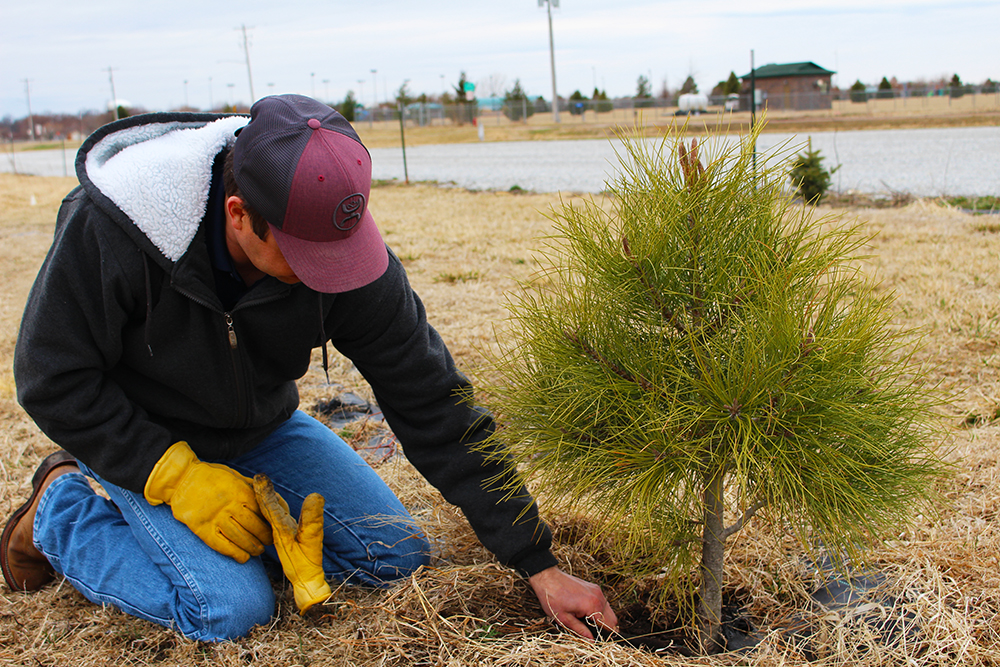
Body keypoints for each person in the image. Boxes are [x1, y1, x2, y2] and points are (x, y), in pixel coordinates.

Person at [1, 94, 618, 642]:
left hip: (262, 430)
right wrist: (175, 476)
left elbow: (431, 400)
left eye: (343, 252)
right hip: (146, 437)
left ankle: (231, 540)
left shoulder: (340, 248)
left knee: (396, 558)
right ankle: (62, 512)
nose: (334, 273)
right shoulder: (114, 228)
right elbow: (51, 376)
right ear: (240, 215)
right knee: (230, 610)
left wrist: (536, 563)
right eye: (307, 257)